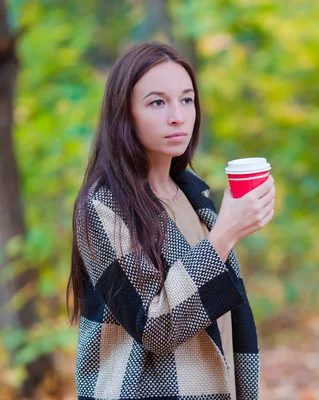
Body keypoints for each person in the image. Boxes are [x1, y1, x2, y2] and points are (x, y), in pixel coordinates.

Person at [67, 41, 275, 400]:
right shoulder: (103, 206)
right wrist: (225, 234)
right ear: (125, 114)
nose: (178, 116)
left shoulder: (194, 195)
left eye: (187, 99)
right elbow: (155, 327)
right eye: (157, 102)